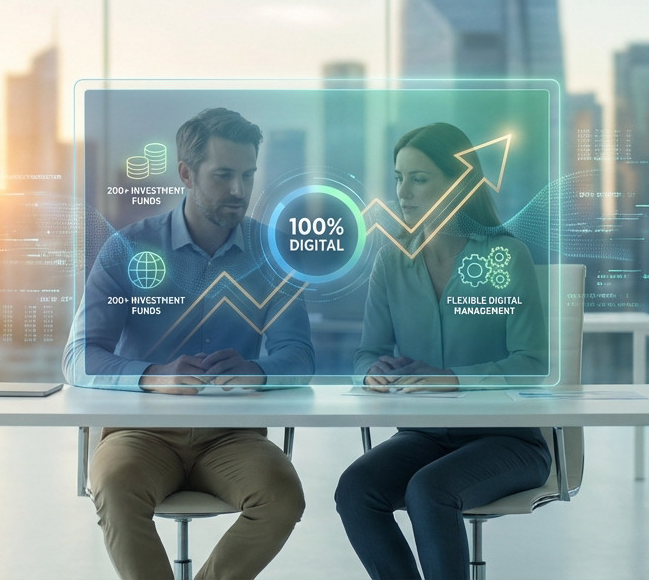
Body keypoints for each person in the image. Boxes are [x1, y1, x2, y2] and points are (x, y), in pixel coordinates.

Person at [63, 107, 313, 580]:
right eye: (223, 175)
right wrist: (154, 376)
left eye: (247, 175)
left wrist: (257, 372)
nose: (238, 190)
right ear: (185, 173)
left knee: (282, 497)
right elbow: (79, 357)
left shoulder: (272, 255)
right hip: (142, 435)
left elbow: (298, 356)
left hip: (233, 435)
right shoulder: (128, 248)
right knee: (115, 487)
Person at [334, 122, 549, 580]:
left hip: (508, 440)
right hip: (425, 435)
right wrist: (372, 372)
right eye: (398, 177)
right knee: (355, 489)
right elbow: (365, 354)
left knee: (428, 491)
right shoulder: (392, 261)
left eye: (419, 178)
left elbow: (532, 365)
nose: (403, 191)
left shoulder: (505, 255)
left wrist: (451, 378)